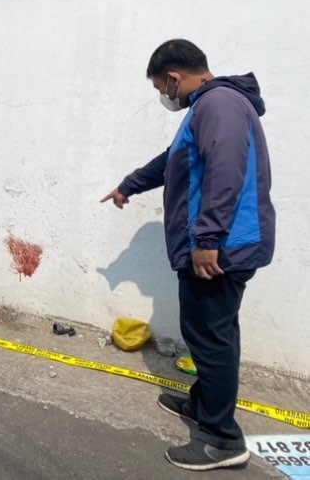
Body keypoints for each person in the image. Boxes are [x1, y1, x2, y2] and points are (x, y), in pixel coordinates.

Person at [101, 39, 275, 471]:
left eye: (162, 87)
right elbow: (173, 161)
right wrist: (130, 184)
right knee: (212, 335)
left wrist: (207, 239)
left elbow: (225, 169)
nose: (164, 95)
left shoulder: (220, 105)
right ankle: (203, 405)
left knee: (211, 340)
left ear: (174, 77)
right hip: (225, 245)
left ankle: (222, 440)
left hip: (222, 250)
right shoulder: (207, 107)